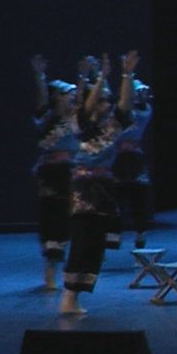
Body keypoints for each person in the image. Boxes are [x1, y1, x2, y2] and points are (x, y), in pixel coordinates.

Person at [59, 52, 138, 315]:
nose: (107, 104)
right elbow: (86, 106)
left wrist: (126, 74)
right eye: (102, 99)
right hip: (84, 188)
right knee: (82, 240)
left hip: (104, 189)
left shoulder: (112, 126)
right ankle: (68, 296)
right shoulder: (80, 124)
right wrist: (102, 76)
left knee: (95, 245)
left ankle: (76, 296)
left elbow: (125, 103)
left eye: (106, 99)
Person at [31, 55, 80, 290]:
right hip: (51, 173)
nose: (70, 96)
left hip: (70, 172)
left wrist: (87, 76)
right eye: (65, 93)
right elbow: (42, 98)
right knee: (52, 217)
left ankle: (59, 264)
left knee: (67, 219)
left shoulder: (75, 118)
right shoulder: (47, 117)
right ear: (56, 97)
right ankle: (50, 269)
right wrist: (39, 76)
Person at [111, 78, 153, 250]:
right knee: (116, 196)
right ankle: (113, 233)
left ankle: (140, 233)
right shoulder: (115, 110)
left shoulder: (144, 110)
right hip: (116, 158)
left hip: (134, 158)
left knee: (138, 196)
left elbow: (141, 110)